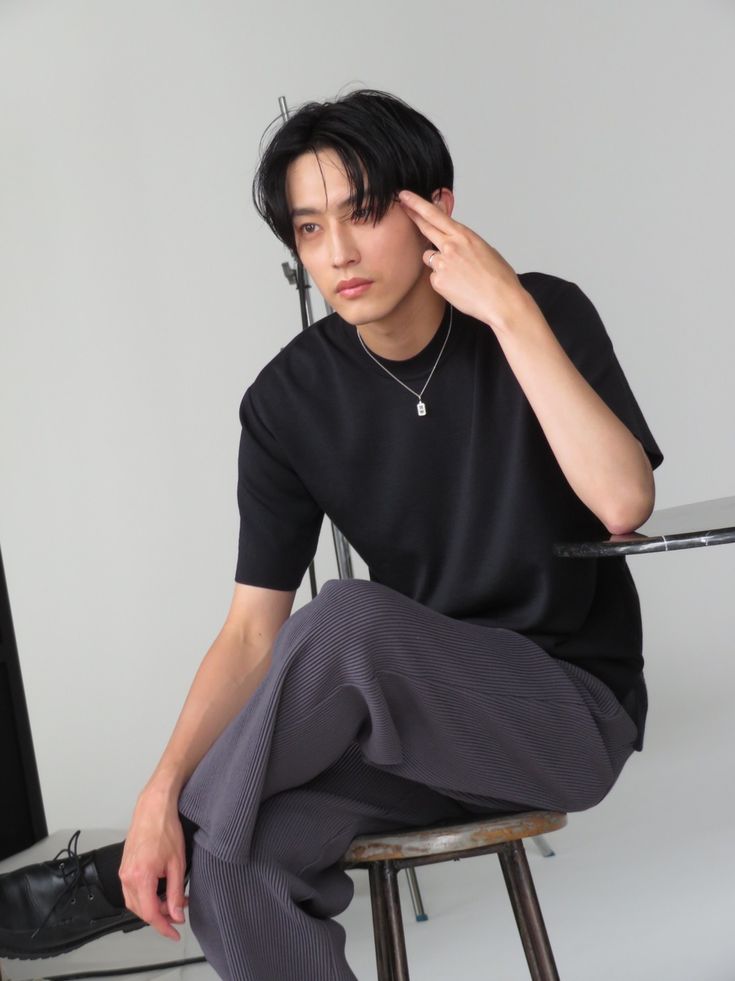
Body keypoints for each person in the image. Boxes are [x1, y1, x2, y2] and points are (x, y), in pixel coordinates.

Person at [0, 89, 662, 979]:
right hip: (417, 742)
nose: (338, 253)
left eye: (364, 212)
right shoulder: (286, 403)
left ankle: (111, 879)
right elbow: (248, 633)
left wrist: (506, 309)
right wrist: (157, 793)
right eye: (310, 230)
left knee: (349, 616)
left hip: (564, 715)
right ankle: (183, 830)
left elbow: (623, 501)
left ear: (435, 208)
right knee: (238, 860)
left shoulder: (541, 313)